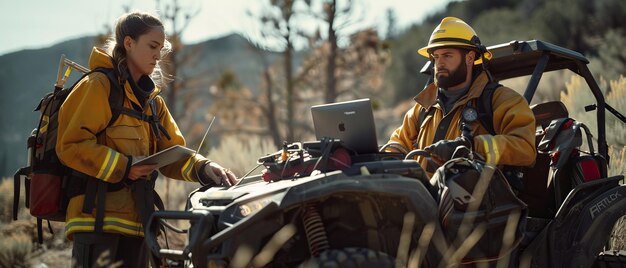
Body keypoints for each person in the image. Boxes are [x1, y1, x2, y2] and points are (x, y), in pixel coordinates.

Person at [56, 11, 237, 267]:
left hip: (138, 223)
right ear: (128, 43)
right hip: (95, 221)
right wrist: (125, 167)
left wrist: (204, 167)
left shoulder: (154, 103)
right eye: (152, 46)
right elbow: (70, 145)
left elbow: (172, 154)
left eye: (161, 49)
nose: (157, 55)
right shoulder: (98, 86)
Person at [388, 17, 536, 175]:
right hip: (423, 197)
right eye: (436, 57)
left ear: (470, 57)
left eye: (447, 55)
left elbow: (525, 149)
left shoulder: (501, 100)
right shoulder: (423, 108)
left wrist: (471, 146)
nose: (439, 64)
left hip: (479, 197)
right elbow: (396, 146)